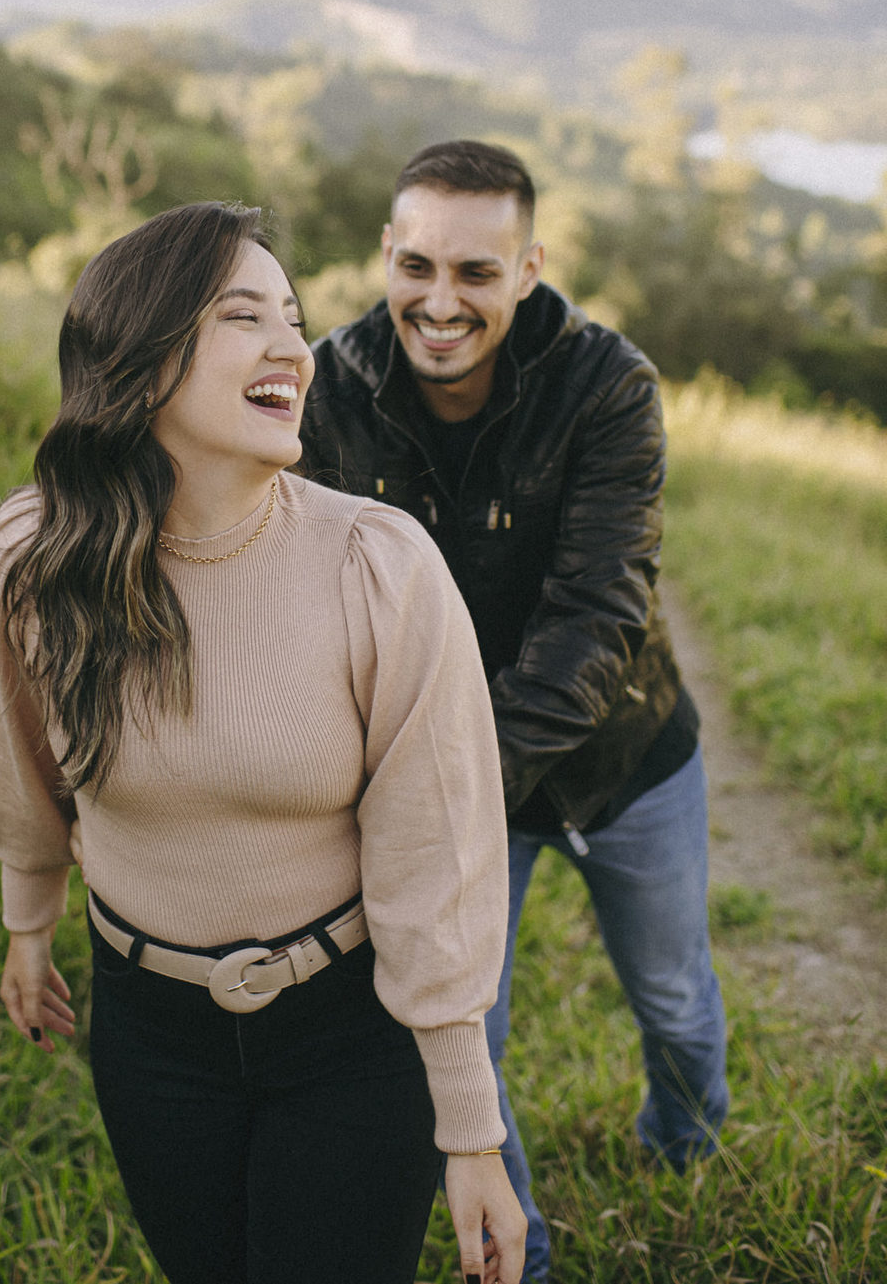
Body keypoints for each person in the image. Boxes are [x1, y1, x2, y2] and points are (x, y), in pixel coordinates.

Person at [0, 200, 527, 1284]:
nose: (295, 350)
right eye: (243, 317)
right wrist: (26, 925)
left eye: (295, 317)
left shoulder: (380, 567)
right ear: (139, 359)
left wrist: (469, 1128)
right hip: (145, 1026)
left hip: (348, 1036)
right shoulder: (30, 557)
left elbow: (436, 859)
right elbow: (22, 767)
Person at [298, 141, 729, 1284]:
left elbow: (597, 611)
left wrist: (444, 791)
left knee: (675, 992)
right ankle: (519, 1261)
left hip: (626, 762)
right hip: (452, 786)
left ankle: (685, 1143)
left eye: (477, 274)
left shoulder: (610, 385)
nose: (441, 304)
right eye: (419, 265)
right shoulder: (326, 389)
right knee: (462, 1039)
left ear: (528, 268)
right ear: (387, 253)